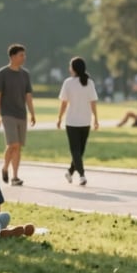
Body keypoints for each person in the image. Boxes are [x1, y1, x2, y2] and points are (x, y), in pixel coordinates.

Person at [0, 43, 36, 186]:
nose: (24, 57)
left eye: (24, 55)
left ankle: (15, 177)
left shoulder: (25, 74)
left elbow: (28, 96)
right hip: (7, 114)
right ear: (12, 56)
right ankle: (5, 167)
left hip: (21, 114)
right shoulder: (2, 73)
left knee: (17, 147)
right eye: (21, 55)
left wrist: (32, 113)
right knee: (13, 144)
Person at [57, 56, 99, 186]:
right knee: (77, 151)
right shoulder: (88, 82)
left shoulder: (69, 82)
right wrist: (95, 118)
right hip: (82, 121)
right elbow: (93, 103)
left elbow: (63, 103)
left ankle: (71, 172)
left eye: (70, 66)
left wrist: (59, 118)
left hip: (74, 121)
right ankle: (81, 175)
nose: (69, 68)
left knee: (78, 152)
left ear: (73, 68)